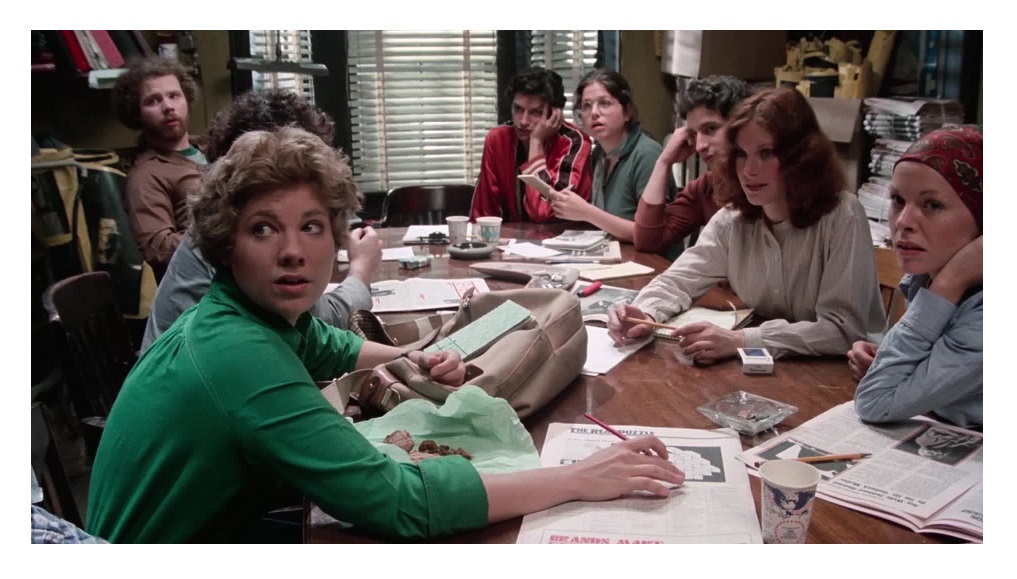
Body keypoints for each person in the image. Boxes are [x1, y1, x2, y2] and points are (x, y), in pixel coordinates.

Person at [85, 127, 684, 543]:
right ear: (225, 242)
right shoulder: (239, 353)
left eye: (312, 227)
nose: (294, 252)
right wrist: (577, 478)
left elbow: (330, 343)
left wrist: (417, 356)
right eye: (264, 229)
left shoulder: (245, 315)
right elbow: (402, 502)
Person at [606, 87, 886, 362]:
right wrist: (644, 312)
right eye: (741, 154)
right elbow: (680, 280)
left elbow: (841, 330)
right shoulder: (733, 219)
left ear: (801, 157)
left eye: (766, 152)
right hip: (774, 369)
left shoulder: (843, 215)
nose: (749, 170)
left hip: (844, 376)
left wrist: (742, 340)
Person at [139, 89, 380, 353]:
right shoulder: (221, 237)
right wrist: (361, 270)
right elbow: (322, 324)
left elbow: (316, 338)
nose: (292, 251)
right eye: (263, 229)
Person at [851, 125, 982, 429]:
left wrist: (950, 282)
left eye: (932, 205)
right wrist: (889, 358)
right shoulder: (926, 276)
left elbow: (875, 401)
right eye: (898, 200)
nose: (904, 222)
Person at [632, 75, 751, 257]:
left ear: (741, 124)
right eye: (694, 134)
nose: (699, 145)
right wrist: (664, 162)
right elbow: (647, 240)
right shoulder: (706, 186)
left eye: (711, 129)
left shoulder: (767, 182)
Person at [546, 69, 667, 242]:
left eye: (604, 103)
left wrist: (587, 212)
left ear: (627, 111)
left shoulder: (647, 154)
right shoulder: (599, 154)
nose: (594, 112)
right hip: (614, 253)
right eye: (586, 105)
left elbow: (652, 235)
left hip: (653, 261)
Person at [113, 56, 206, 280]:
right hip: (197, 292)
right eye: (153, 101)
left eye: (174, 96)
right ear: (137, 113)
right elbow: (159, 249)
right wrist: (225, 229)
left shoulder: (211, 146)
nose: (168, 107)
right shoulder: (145, 175)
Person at [470, 66, 593, 223]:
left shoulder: (574, 142)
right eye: (518, 109)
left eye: (535, 112)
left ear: (554, 114)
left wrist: (536, 143)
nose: (523, 121)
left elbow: (542, 212)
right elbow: (483, 213)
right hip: (511, 242)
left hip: (564, 241)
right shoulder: (498, 139)